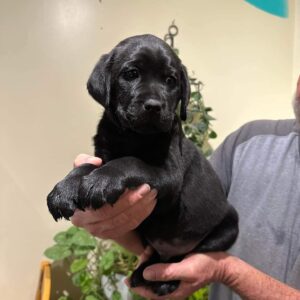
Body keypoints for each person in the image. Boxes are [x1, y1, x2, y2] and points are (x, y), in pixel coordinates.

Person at [71, 75, 300, 300]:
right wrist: (113, 223)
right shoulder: (247, 141)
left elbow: (216, 263)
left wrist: (225, 270)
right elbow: (177, 222)